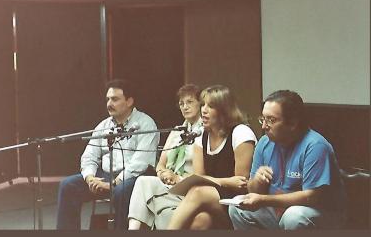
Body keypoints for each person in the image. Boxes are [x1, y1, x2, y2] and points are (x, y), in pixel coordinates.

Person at [228, 90, 346, 230]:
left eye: (271, 120)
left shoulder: (315, 146)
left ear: (292, 123)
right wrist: (257, 181)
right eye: (263, 119)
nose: (264, 126)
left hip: (320, 215)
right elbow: (252, 190)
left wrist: (263, 200)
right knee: (238, 208)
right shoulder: (265, 142)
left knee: (293, 216)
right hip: (279, 212)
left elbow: (311, 197)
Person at [56, 79, 160, 230]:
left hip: (134, 178)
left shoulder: (145, 124)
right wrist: (90, 177)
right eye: (108, 99)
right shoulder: (104, 126)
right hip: (105, 175)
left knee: (121, 192)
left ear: (129, 101)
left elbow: (141, 163)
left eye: (115, 99)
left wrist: (113, 183)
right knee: (67, 186)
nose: (109, 103)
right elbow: (89, 156)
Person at [167, 85, 257, 229]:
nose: (204, 110)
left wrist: (214, 182)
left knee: (197, 192)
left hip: (239, 203)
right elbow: (198, 178)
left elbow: (241, 184)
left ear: (224, 110)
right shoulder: (201, 136)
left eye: (211, 106)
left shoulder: (241, 133)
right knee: (200, 221)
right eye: (203, 105)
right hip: (212, 198)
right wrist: (225, 181)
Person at [128, 84, 203, 230]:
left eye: (189, 102)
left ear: (200, 104)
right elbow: (160, 165)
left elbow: (203, 173)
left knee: (152, 196)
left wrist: (177, 178)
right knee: (143, 181)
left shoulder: (205, 132)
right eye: (181, 104)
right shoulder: (176, 132)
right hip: (168, 184)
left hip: (189, 186)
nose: (185, 107)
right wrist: (163, 174)